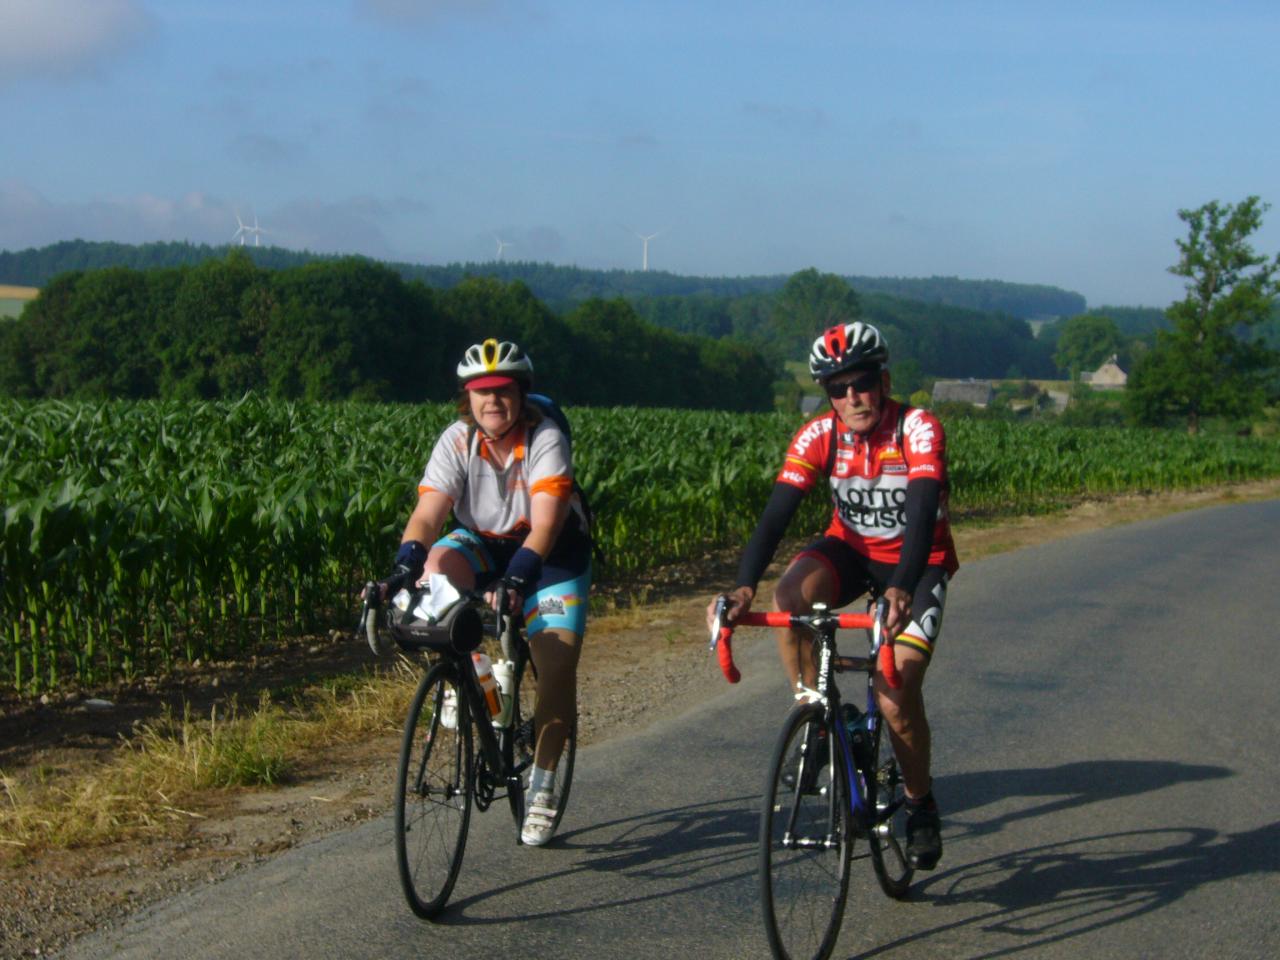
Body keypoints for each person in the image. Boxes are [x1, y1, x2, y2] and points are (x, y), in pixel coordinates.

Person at [709, 320, 957, 870]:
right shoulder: (818, 435)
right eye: (837, 389)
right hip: (850, 550)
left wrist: (900, 588)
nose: (852, 398)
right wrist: (743, 585)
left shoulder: (917, 428)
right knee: (788, 597)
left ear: (883, 381)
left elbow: (921, 512)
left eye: (862, 383)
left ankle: (920, 804)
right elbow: (777, 514)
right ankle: (816, 712)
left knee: (894, 698)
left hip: (918, 563)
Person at [389, 337, 591, 847]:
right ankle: (473, 676)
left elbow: (545, 528)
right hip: (484, 541)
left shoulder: (545, 439)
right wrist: (405, 563)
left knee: (556, 663)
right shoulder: (457, 440)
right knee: (435, 569)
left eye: (503, 390)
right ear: (468, 397)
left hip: (551, 553)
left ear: (520, 394)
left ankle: (543, 782)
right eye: (482, 391)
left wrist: (516, 580)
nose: (493, 400)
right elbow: (428, 515)